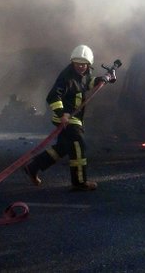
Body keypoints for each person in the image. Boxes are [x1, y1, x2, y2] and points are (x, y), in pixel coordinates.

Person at [23, 44, 114, 191]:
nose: (81, 67)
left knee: (63, 147)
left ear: (89, 64)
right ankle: (79, 183)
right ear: (72, 62)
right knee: (79, 146)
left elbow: (87, 83)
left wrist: (103, 78)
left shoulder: (83, 74)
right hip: (68, 119)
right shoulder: (67, 78)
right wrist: (62, 114)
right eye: (78, 64)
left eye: (83, 64)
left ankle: (33, 167)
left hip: (73, 117)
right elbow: (53, 96)